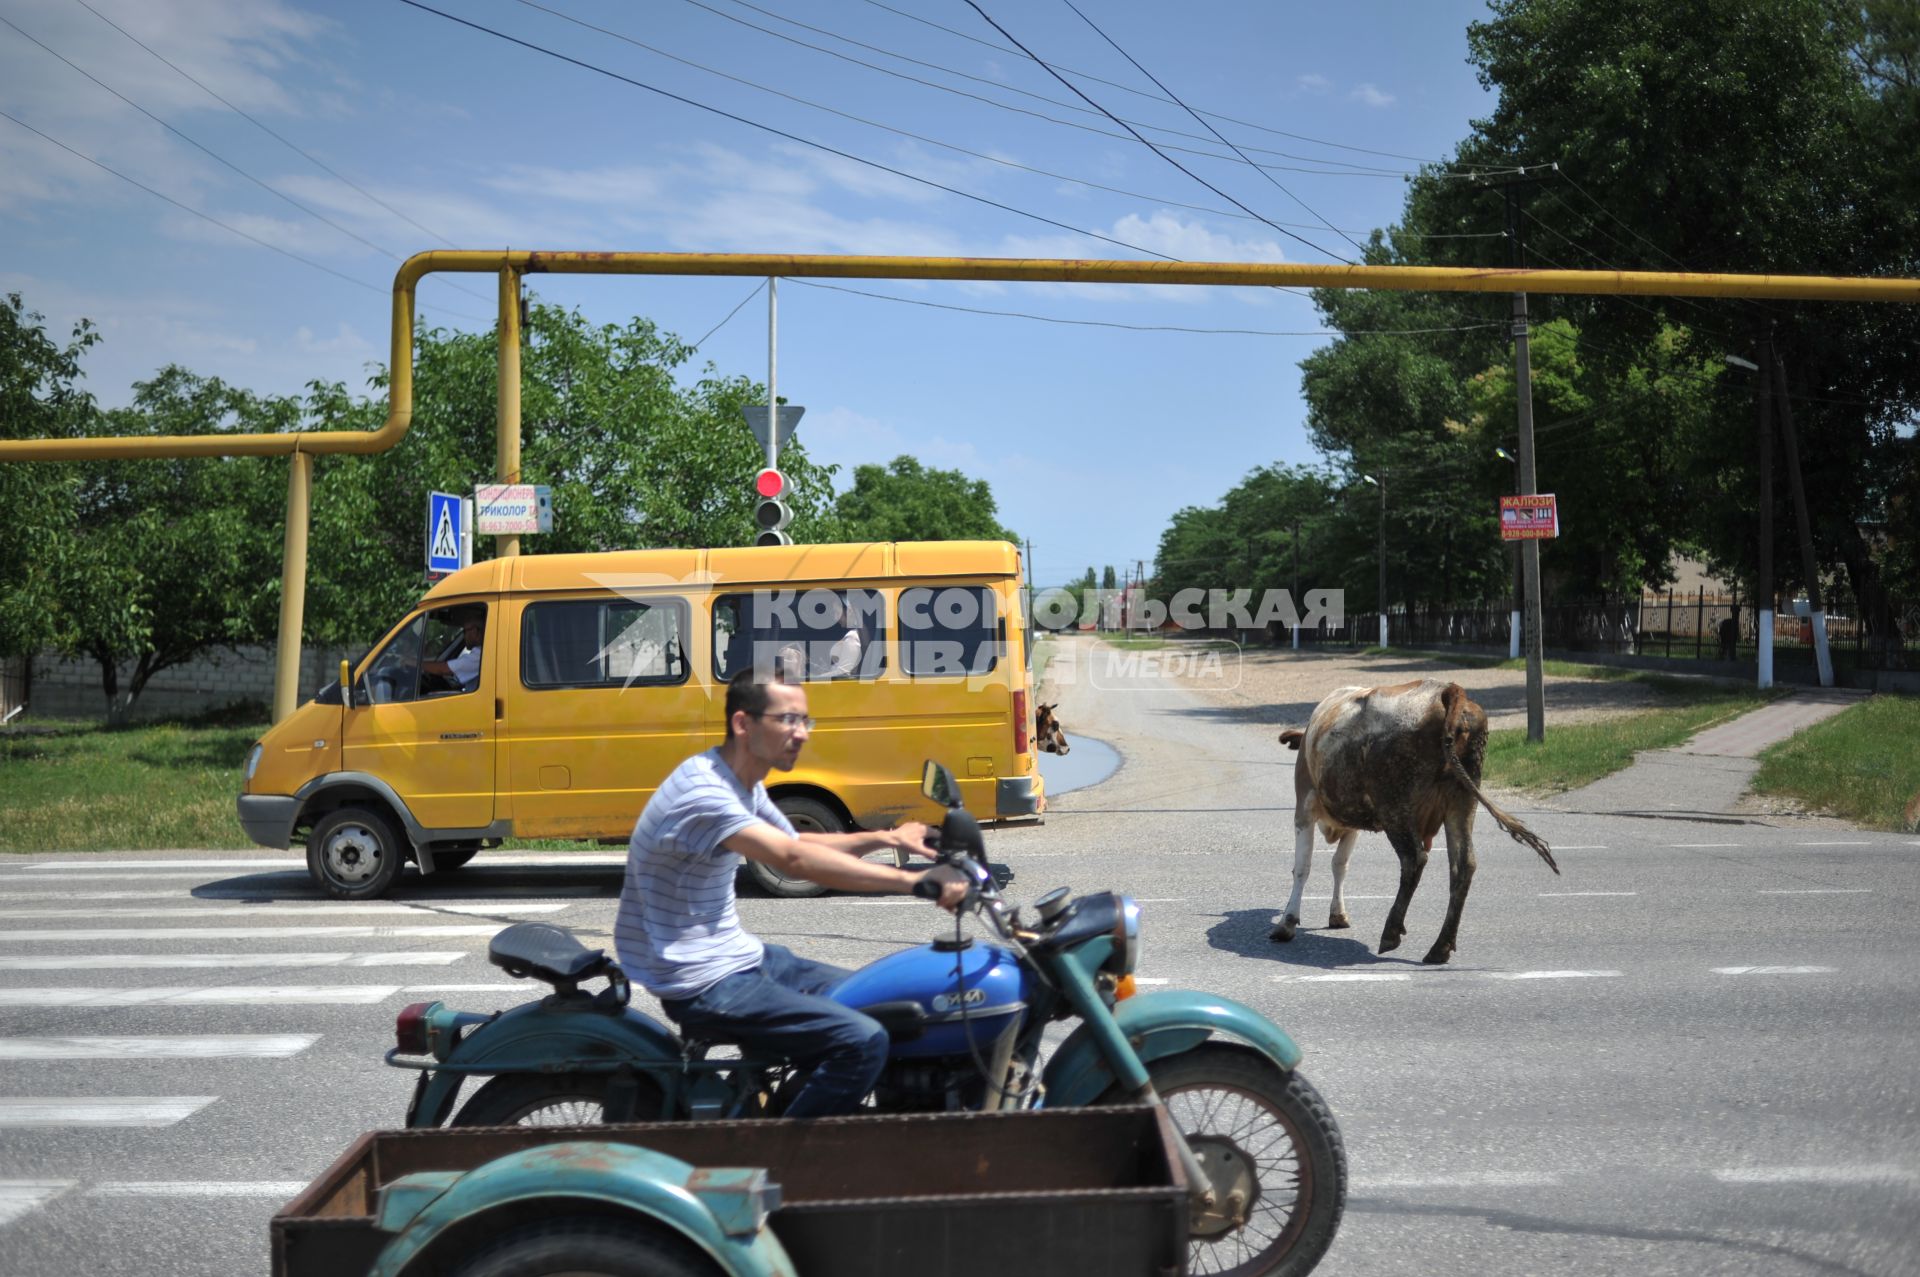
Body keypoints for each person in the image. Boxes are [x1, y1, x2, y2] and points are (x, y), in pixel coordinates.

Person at [613, 672, 968, 1117]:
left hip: (735, 958)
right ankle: (782, 1156)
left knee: (881, 1000)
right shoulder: (706, 795)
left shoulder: (736, 778)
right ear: (744, 724)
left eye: (805, 720)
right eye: (788, 720)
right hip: (702, 982)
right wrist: (916, 882)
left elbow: (799, 844)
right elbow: (792, 862)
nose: (801, 733)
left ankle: (798, 1100)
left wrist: (888, 838)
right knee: (863, 1040)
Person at [423, 611, 484, 692]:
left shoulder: (480, 654)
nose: (464, 635)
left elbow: (443, 669)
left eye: (465, 631)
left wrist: (416, 664)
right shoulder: (482, 652)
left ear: (475, 631)